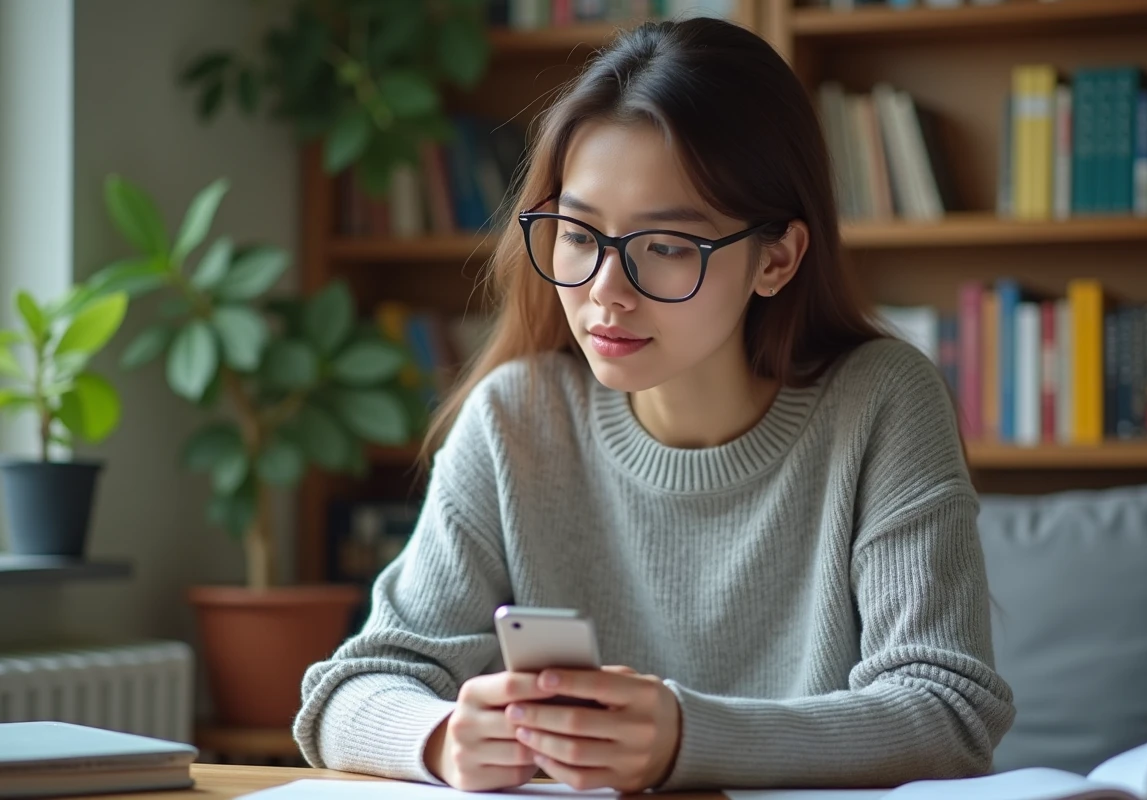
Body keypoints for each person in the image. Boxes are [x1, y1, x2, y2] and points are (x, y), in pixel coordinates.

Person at [293, 15, 1015, 794]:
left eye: (666, 247)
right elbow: (348, 690)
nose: (606, 292)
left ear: (776, 259)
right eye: (577, 234)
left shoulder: (881, 402)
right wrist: (440, 737)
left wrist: (684, 737)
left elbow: (949, 712)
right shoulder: (517, 419)